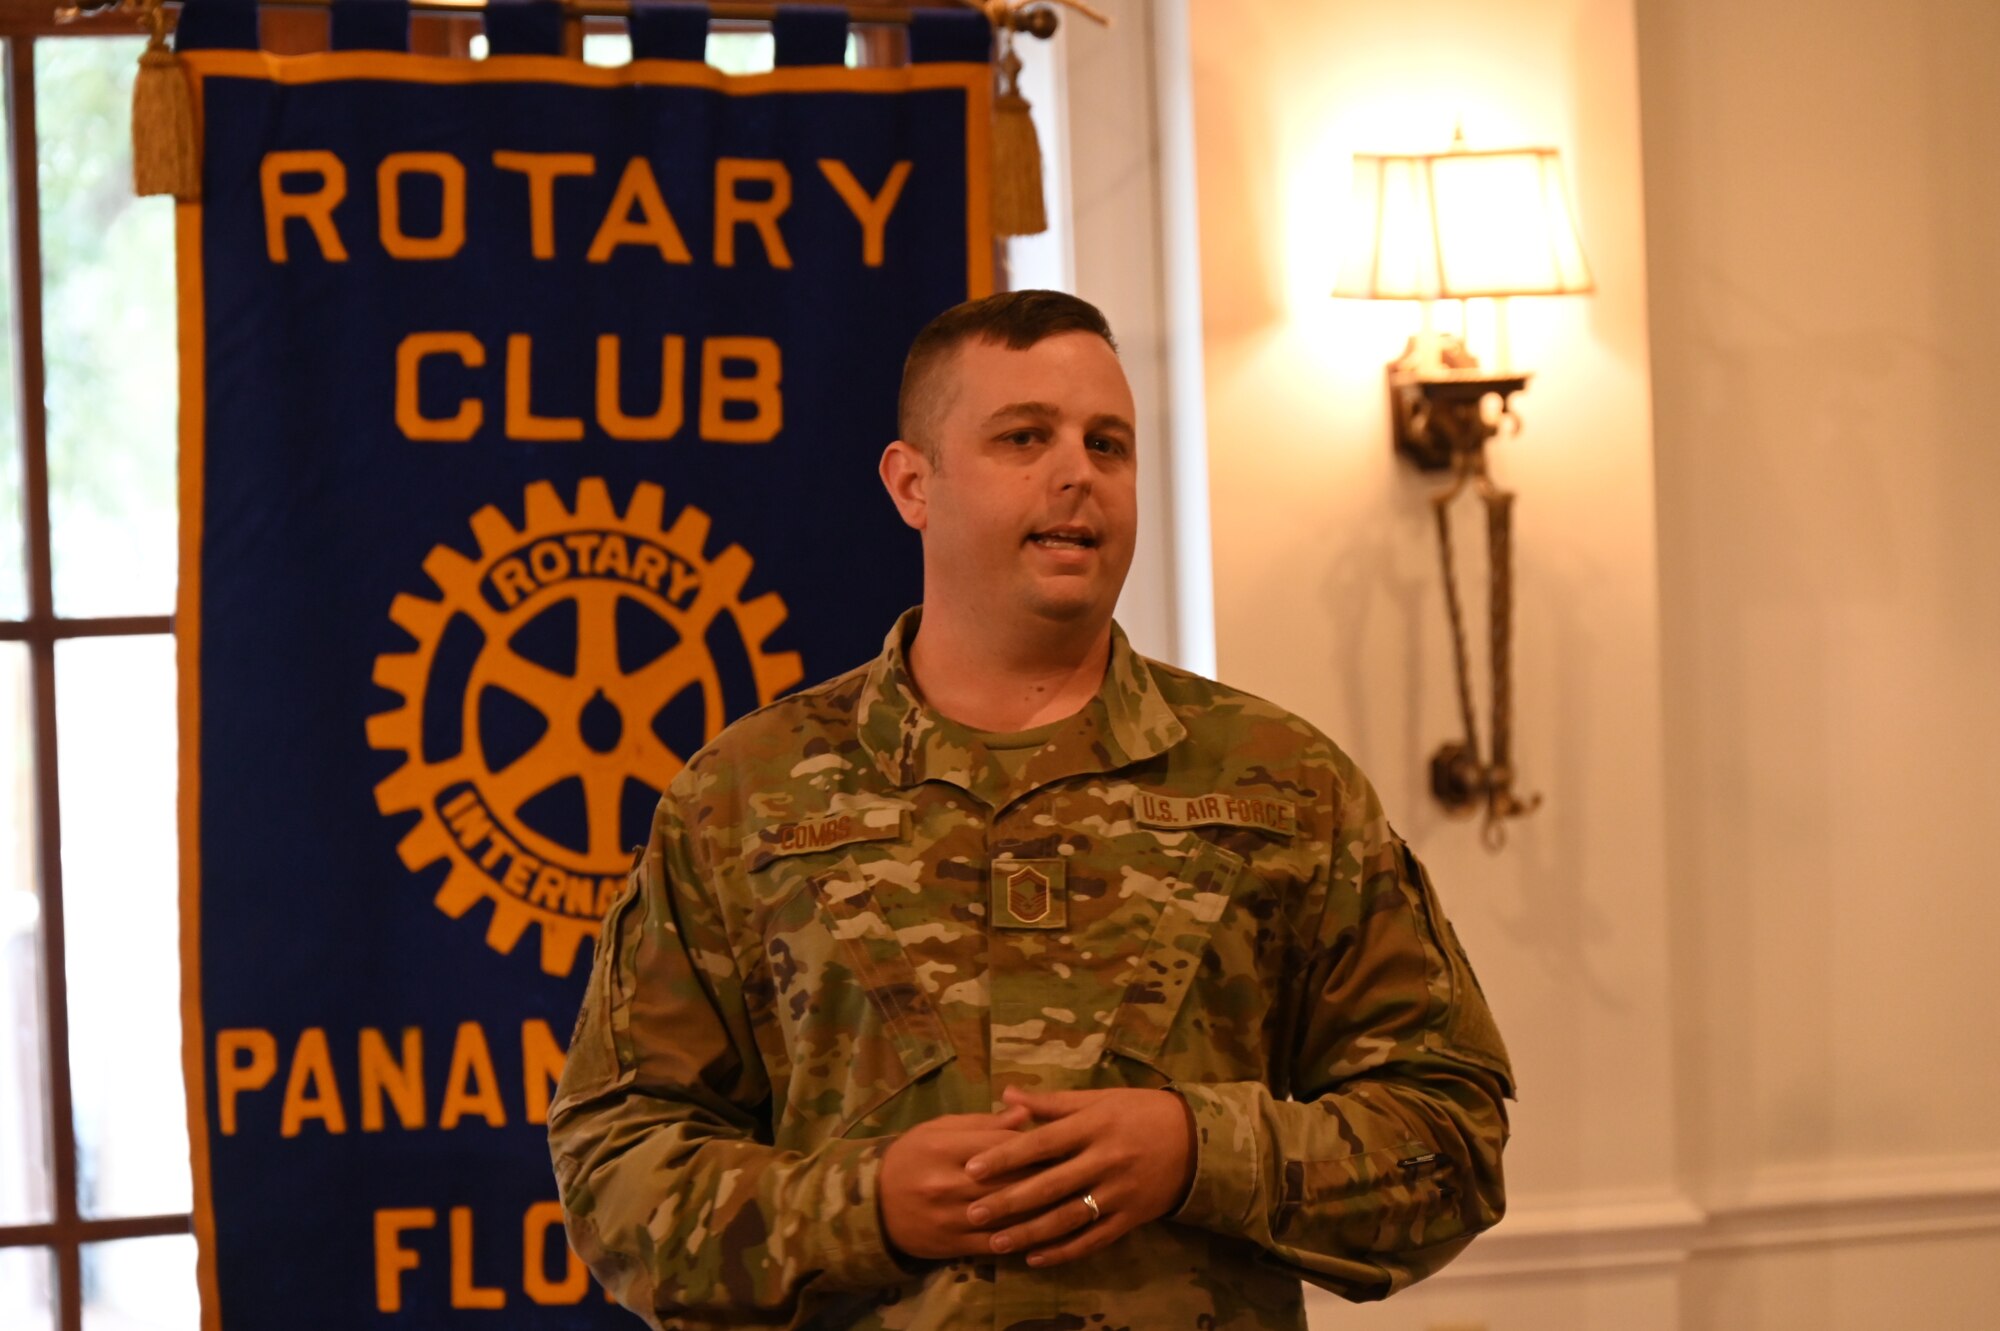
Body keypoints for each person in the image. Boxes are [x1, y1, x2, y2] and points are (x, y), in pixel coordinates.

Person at [548, 290, 1515, 1331]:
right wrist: (862, 1205)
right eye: (1023, 437)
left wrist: (1199, 1152)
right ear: (911, 482)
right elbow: (617, 1169)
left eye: (1108, 443)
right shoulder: (743, 794)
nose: (1076, 473)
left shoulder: (1280, 782)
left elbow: (1448, 1138)